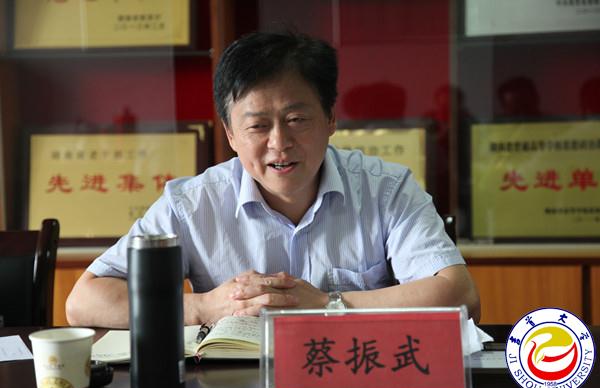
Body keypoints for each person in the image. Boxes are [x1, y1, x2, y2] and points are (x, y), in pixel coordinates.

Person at [66, 31, 480, 329]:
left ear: (330, 119)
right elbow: (85, 300)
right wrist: (204, 307)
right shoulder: (192, 204)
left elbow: (460, 296)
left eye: (297, 119)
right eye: (258, 126)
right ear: (230, 134)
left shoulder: (386, 189)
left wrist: (329, 303)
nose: (279, 143)